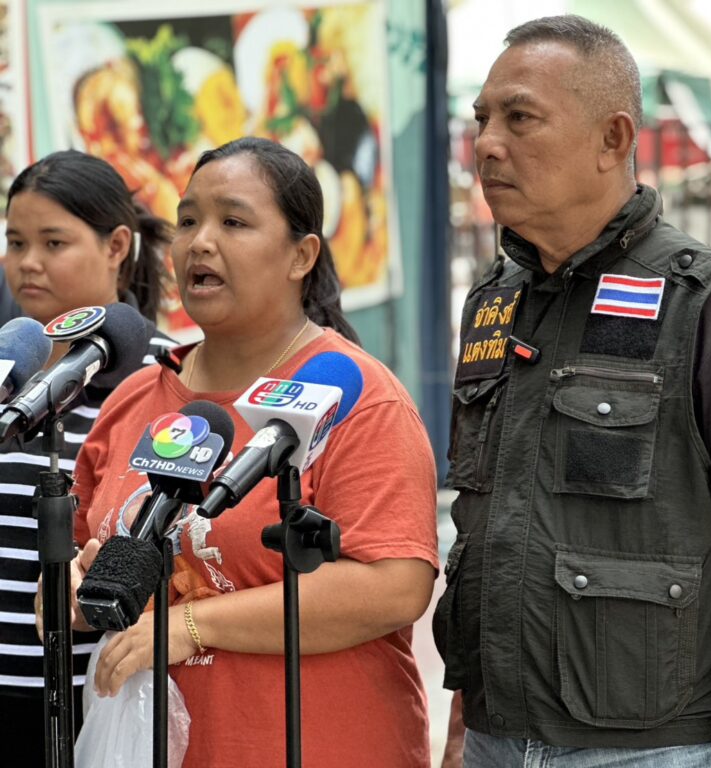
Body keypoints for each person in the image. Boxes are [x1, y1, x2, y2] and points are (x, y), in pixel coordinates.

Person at [433, 15, 711, 768]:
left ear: (612, 139)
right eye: (481, 119)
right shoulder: (494, 301)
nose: (487, 144)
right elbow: (492, 534)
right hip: (493, 741)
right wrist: (460, 734)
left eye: (520, 118)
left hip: (655, 751)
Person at [66, 137, 439, 768]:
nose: (200, 243)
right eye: (188, 221)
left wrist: (192, 628)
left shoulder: (355, 396)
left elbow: (394, 587)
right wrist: (74, 589)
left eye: (233, 222)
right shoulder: (135, 397)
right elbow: (81, 557)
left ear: (302, 255)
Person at [0, 149, 172, 767]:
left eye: (54, 242)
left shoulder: (165, 377)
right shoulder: (7, 370)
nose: (28, 262)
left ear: (117, 245)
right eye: (15, 242)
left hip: (89, 698)